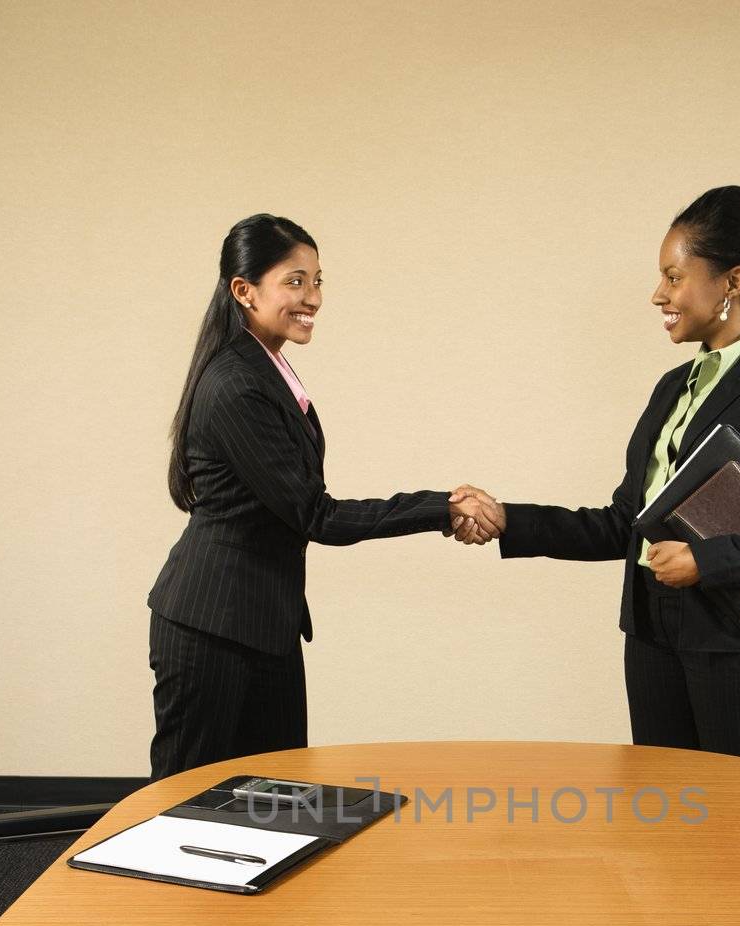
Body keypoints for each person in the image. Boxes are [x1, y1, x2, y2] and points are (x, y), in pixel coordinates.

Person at [451, 186, 740, 766]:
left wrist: (708, 560)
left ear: (733, 282)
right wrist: (509, 519)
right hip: (651, 633)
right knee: (667, 813)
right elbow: (625, 524)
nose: (658, 294)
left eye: (673, 276)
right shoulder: (673, 389)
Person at [148, 213, 501, 779]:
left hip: (262, 622)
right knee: (184, 803)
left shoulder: (266, 366)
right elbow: (317, 514)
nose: (311, 297)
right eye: (294, 281)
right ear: (244, 290)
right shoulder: (236, 383)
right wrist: (441, 506)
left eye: (317, 280)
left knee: (275, 797)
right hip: (212, 625)